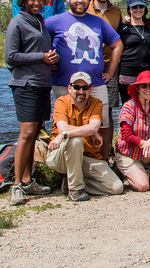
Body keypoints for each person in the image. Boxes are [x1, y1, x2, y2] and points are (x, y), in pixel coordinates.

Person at [47, 0, 123, 160]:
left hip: (96, 82)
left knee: (103, 123)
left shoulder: (98, 22)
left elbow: (117, 44)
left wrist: (110, 72)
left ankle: (102, 160)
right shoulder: (54, 22)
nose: (80, 1)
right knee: (64, 124)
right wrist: (46, 61)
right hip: (63, 83)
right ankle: (68, 168)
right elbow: (39, 42)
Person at [5, 0, 56, 205]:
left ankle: (28, 180)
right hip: (25, 85)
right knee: (26, 134)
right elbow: (11, 57)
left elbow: (39, 53)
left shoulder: (40, 22)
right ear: (24, 1)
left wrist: (51, 61)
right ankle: (17, 185)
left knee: (34, 135)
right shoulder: (17, 23)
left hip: (42, 84)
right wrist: (41, 57)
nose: (36, 2)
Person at [45, 72, 123, 201]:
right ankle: (76, 189)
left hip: (85, 157)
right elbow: (63, 127)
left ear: (90, 89)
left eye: (85, 88)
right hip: (59, 156)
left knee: (116, 187)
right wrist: (86, 131)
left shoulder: (96, 103)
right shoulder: (61, 102)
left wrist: (64, 134)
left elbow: (93, 127)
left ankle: (70, 182)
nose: (81, 91)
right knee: (75, 141)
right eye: (76, 87)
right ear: (70, 88)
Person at [115, 70, 150, 191]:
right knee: (143, 186)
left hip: (146, 150)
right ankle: (120, 168)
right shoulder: (129, 106)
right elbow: (126, 135)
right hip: (128, 152)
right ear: (137, 88)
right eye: (144, 86)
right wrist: (144, 143)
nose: (148, 89)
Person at [87, 0, 122, 140]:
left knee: (107, 108)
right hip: (87, 65)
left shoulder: (116, 11)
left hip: (110, 66)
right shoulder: (84, 9)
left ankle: (107, 148)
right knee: (85, 105)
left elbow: (119, 35)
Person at [117, 0, 150, 103]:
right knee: (129, 106)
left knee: (149, 106)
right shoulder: (123, 28)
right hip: (128, 73)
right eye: (134, 7)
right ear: (129, 9)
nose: (138, 9)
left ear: (145, 9)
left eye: (141, 7)